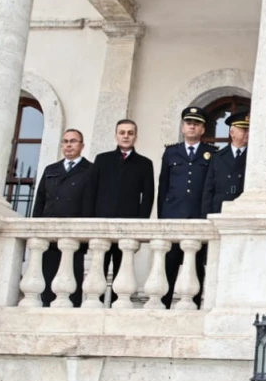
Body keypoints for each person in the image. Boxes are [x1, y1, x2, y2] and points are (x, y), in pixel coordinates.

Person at [157, 106, 216, 307]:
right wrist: (161, 218)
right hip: (173, 215)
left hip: (198, 216)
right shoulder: (171, 152)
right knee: (169, 264)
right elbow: (163, 186)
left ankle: (195, 305)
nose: (192, 126)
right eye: (189, 123)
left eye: (197, 124)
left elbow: (210, 187)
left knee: (196, 265)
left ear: (203, 129)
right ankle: (163, 305)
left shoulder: (211, 153)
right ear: (183, 127)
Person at [32, 128, 95, 306]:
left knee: (71, 282)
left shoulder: (90, 170)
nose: (69, 145)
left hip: (75, 236)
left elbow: (92, 204)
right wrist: (36, 230)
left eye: (73, 141)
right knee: (48, 281)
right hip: (50, 235)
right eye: (66, 141)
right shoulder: (51, 169)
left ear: (81, 145)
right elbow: (40, 201)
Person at [92, 119, 155, 284]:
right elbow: (91, 191)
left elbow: (148, 197)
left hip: (128, 225)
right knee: (98, 270)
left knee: (123, 272)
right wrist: (91, 220)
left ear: (135, 137)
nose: (126, 136)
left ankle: (116, 307)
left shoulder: (145, 163)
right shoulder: (102, 159)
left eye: (130, 133)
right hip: (102, 224)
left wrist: (140, 225)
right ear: (116, 135)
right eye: (122, 132)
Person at [202, 112, 249, 216]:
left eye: (249, 130)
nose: (247, 133)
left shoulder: (253, 157)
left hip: (243, 211)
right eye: (243, 129)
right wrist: (205, 216)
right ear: (232, 133)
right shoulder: (218, 157)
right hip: (220, 209)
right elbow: (209, 189)